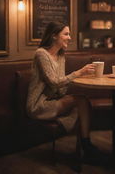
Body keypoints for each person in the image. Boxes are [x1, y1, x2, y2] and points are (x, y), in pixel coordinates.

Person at [26, 21, 103, 162]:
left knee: (83, 103)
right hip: (38, 105)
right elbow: (55, 82)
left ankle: (85, 146)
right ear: (54, 36)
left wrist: (81, 75)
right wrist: (79, 72)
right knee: (81, 102)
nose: (70, 37)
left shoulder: (61, 55)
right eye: (66, 34)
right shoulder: (41, 54)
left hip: (53, 101)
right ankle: (87, 146)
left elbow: (60, 88)